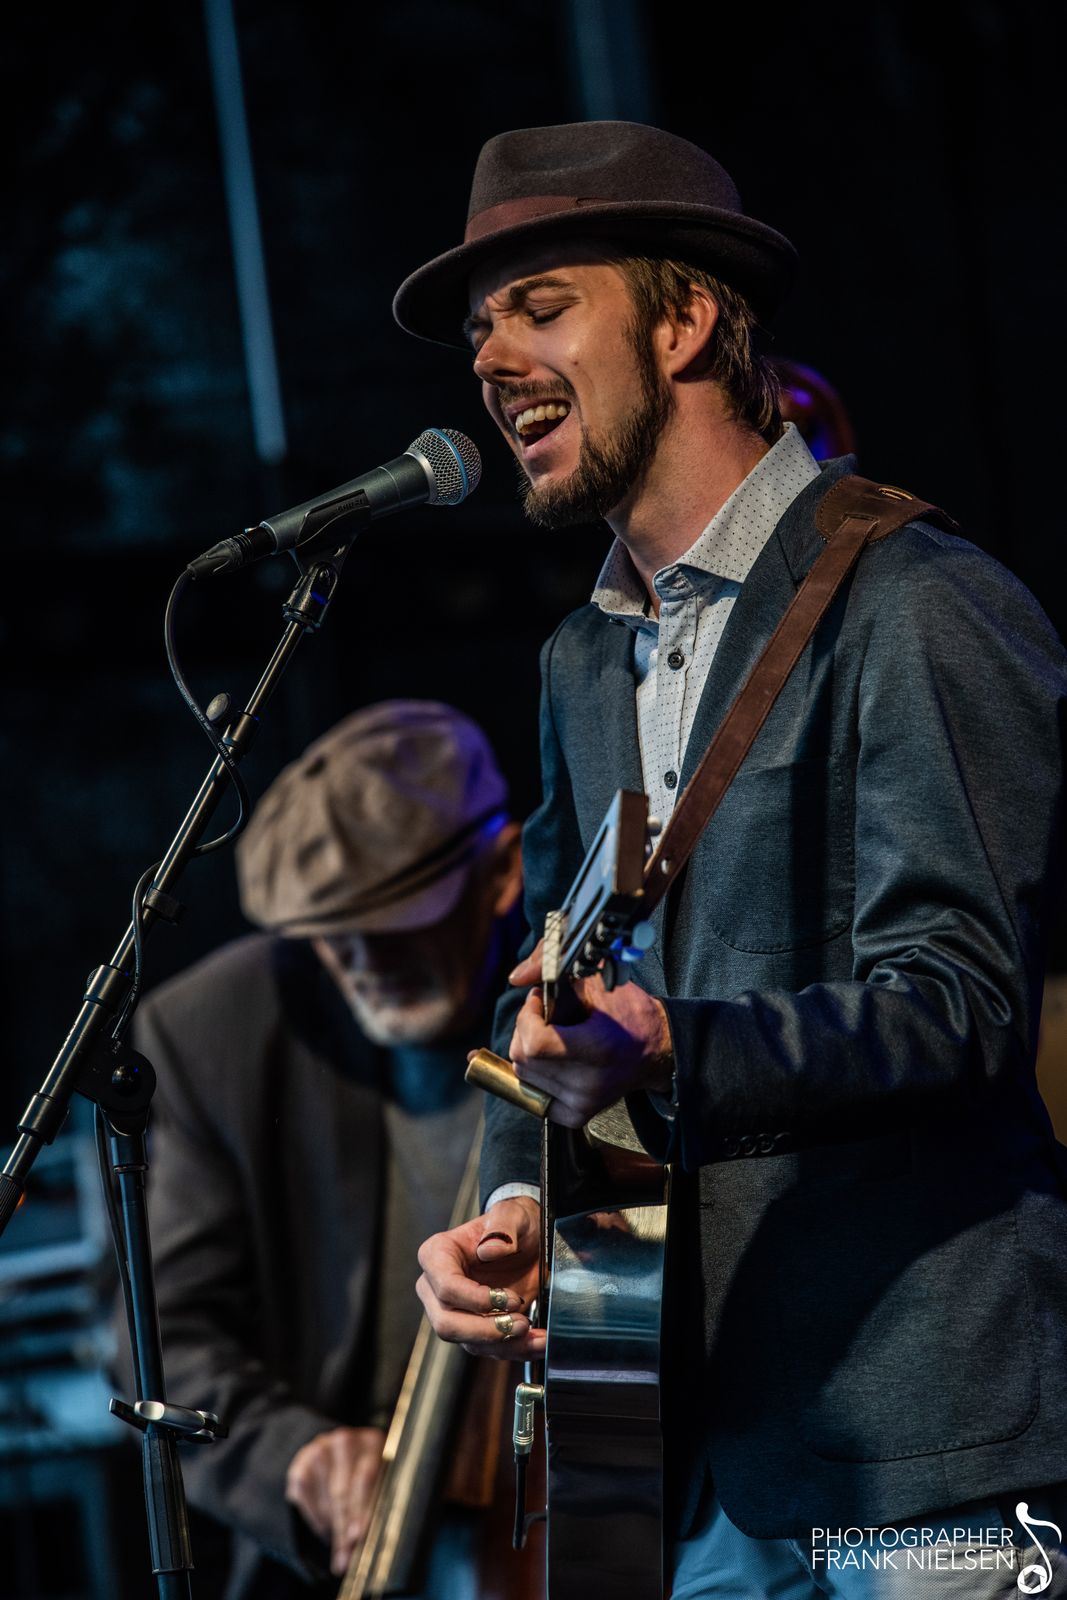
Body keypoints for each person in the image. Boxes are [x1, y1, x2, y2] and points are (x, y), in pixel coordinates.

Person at [399, 121, 1067, 1597]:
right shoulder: (581, 660)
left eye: (538, 307)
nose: (489, 358)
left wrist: (669, 1053)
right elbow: (547, 990)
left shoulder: (911, 602)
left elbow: (959, 1004)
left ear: (685, 320)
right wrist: (513, 1211)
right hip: (682, 1449)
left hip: (918, 1439)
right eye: (479, 329)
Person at [131, 701, 524, 1599]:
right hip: (342, 1551)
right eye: (328, 931)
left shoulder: (586, 990)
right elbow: (164, 1333)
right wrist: (294, 1454)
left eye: (397, 918)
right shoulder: (209, 1031)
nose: (361, 959)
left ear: (501, 871)